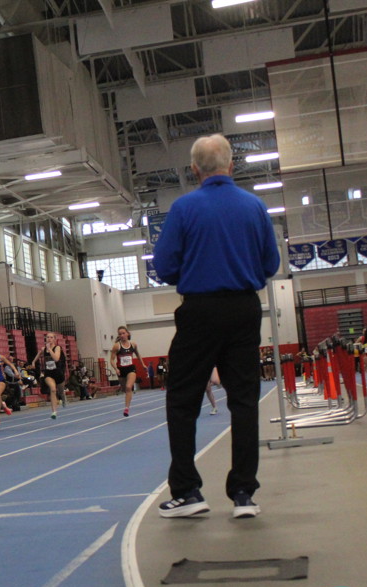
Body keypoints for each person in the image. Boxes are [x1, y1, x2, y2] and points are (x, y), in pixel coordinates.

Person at [153, 133, 280, 519]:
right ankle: (243, 493)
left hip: (200, 310)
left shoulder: (183, 208)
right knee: (244, 400)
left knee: (182, 399)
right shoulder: (254, 206)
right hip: (243, 309)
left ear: (194, 170)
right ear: (231, 165)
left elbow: (164, 266)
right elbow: (270, 263)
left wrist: (196, 271)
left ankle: (187, 491)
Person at [31, 333, 66, 419]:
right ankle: (54, 412)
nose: (49, 339)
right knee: (53, 389)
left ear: (54, 339)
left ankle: (62, 397)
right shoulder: (43, 349)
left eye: (51, 337)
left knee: (61, 391)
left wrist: (49, 349)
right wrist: (33, 362)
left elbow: (56, 358)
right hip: (48, 373)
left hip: (58, 373)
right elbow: (39, 354)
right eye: (47, 337)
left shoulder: (57, 348)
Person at [110, 326, 140, 417]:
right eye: (120, 334)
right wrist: (116, 369)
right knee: (125, 390)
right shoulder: (116, 346)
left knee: (128, 387)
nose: (122, 335)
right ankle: (128, 393)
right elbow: (111, 360)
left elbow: (138, 355)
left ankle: (126, 408)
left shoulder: (133, 345)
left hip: (131, 368)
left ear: (127, 333)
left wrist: (143, 365)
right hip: (121, 370)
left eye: (123, 333)